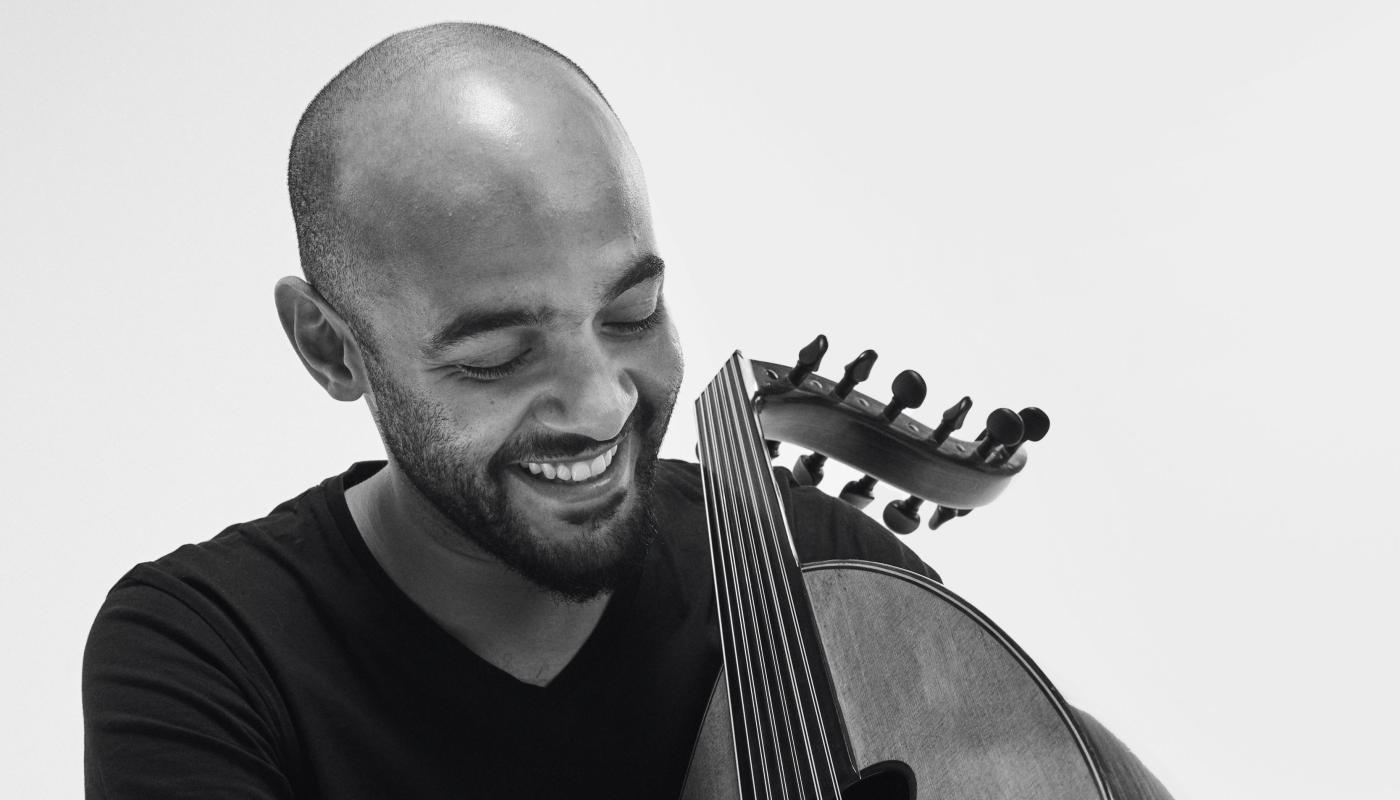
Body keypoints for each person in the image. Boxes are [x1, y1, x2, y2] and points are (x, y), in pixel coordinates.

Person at [82, 22, 1171, 799]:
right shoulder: (207, 656)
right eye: (500, 356)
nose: (602, 402)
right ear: (330, 346)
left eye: (632, 311)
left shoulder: (820, 568)